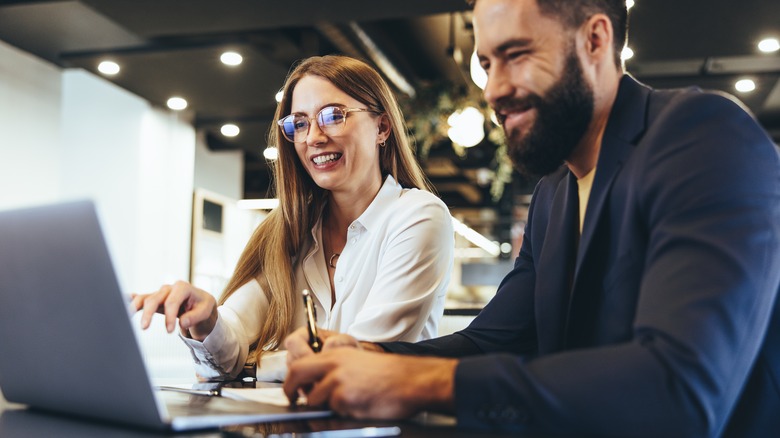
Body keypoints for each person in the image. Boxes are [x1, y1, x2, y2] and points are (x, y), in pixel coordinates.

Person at [282, 1, 780, 436]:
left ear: (595, 39)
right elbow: (493, 340)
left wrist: (422, 383)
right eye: (484, 65)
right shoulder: (554, 192)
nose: (494, 89)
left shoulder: (704, 137)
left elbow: (680, 389)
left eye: (516, 55)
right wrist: (371, 355)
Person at [132, 55, 454, 382]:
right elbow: (229, 344)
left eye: (333, 116)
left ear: (382, 127)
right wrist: (207, 321)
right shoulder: (289, 231)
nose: (313, 136)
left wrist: (254, 365)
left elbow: (361, 359)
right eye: (299, 123)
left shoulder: (419, 216)